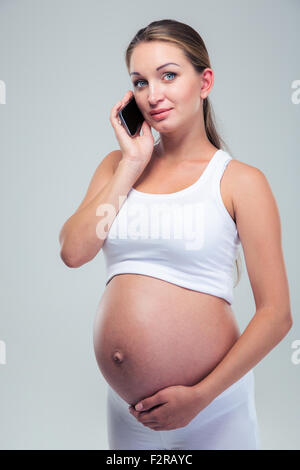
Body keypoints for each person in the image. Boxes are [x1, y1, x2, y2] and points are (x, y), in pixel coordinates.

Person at [59, 19, 293, 450]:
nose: (153, 95)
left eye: (168, 75)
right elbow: (74, 251)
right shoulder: (117, 167)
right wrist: (131, 164)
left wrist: (200, 397)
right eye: (140, 82)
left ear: (205, 82)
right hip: (131, 414)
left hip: (214, 408)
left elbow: (277, 315)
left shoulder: (240, 181)